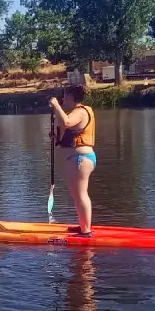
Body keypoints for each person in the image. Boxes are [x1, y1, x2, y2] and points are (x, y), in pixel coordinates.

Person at [50, 85, 96, 237]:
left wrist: (56, 105)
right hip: (79, 159)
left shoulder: (81, 111)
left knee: (81, 194)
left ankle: (86, 231)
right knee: (77, 195)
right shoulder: (79, 112)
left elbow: (66, 123)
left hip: (80, 159)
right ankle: (83, 226)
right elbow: (68, 133)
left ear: (70, 96)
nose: (63, 99)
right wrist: (56, 137)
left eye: (64, 96)